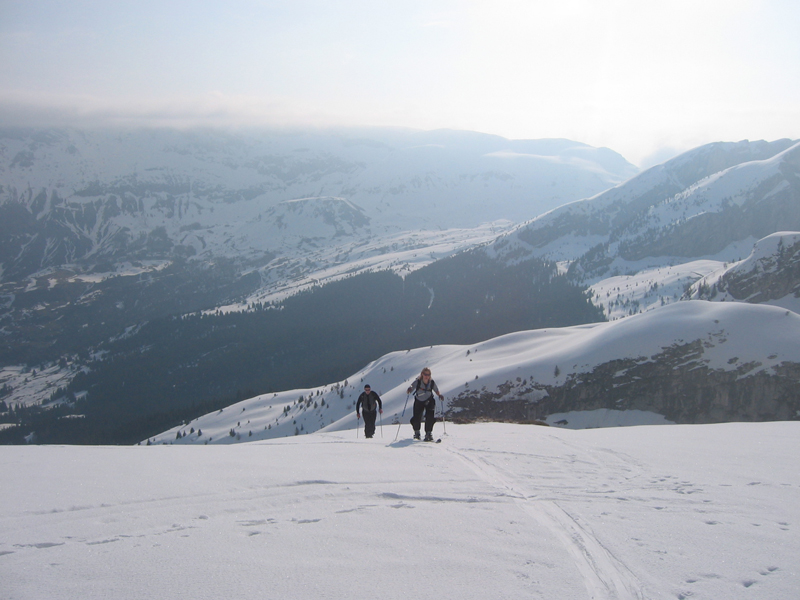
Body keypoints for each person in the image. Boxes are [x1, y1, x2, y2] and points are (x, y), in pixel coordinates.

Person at [406, 367, 443, 441]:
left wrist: (439, 395)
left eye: (428, 375)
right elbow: (411, 387)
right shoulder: (418, 381)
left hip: (429, 400)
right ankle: (417, 432)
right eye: (425, 374)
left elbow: (436, 390)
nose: (427, 376)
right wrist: (409, 389)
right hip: (419, 400)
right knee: (417, 417)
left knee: (430, 416)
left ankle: (428, 433)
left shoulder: (431, 382)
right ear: (422, 374)